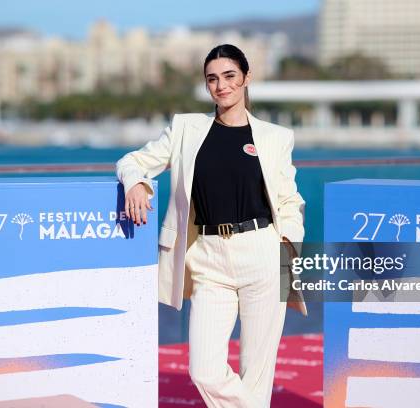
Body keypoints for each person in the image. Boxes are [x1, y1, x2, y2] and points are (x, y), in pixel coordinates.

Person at [116, 43, 306, 407]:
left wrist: (287, 245)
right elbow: (132, 161)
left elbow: (289, 201)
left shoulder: (275, 136)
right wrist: (135, 182)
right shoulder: (187, 129)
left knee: (257, 372)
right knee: (203, 370)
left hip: (264, 252)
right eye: (212, 79)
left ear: (246, 78)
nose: (221, 86)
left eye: (230, 76)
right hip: (207, 259)